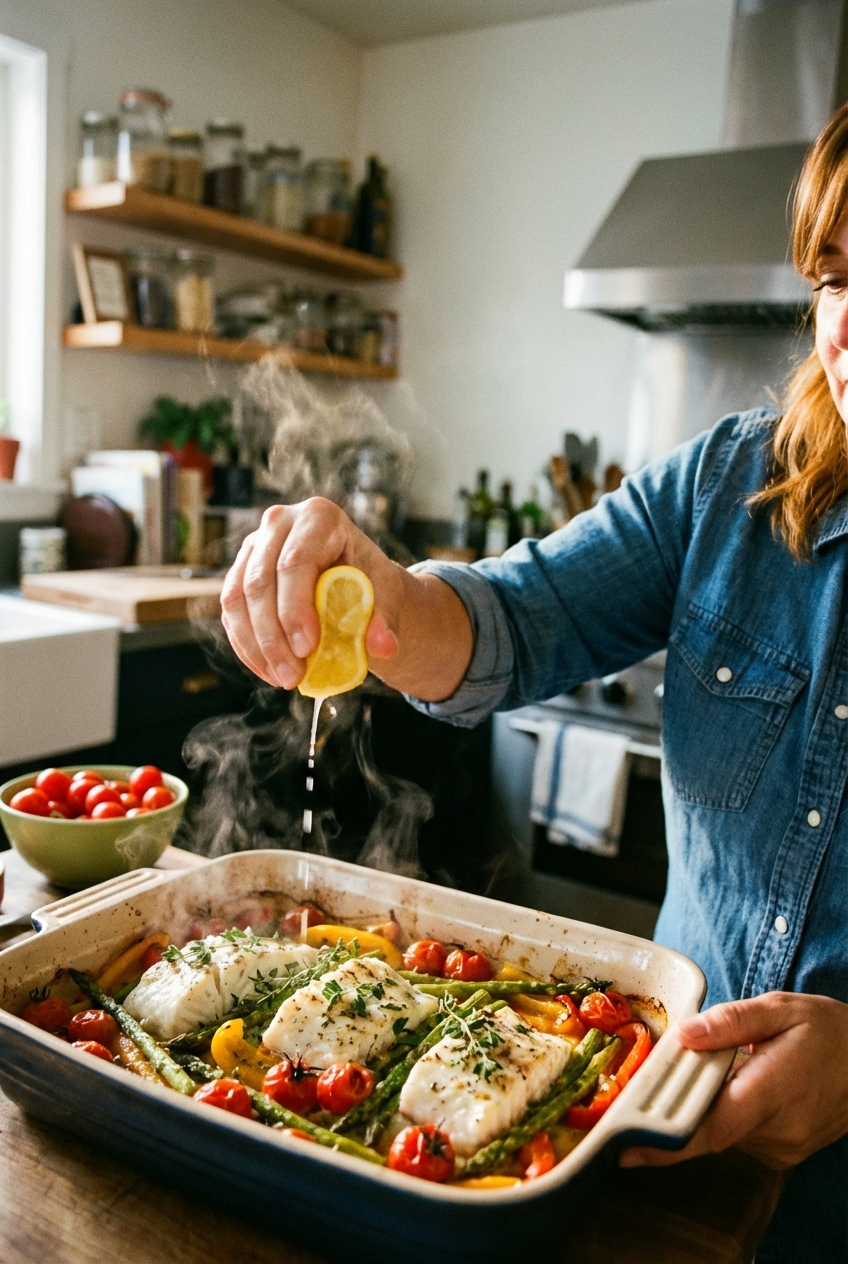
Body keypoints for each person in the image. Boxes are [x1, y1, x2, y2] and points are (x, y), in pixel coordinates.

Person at [221, 105, 848, 1261]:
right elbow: (513, 617)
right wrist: (383, 596)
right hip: (648, 1133)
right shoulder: (729, 483)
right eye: (834, 274)